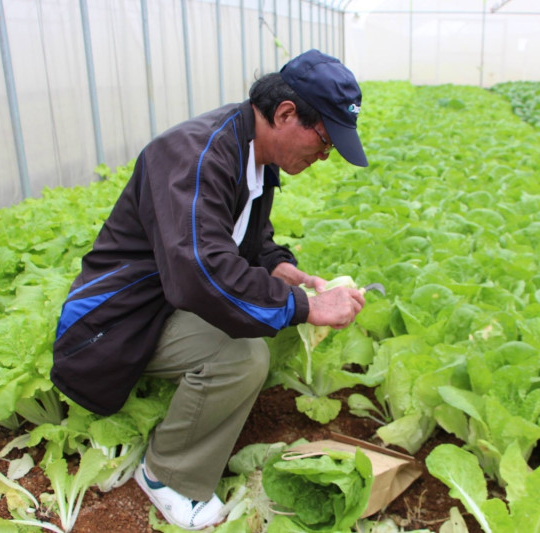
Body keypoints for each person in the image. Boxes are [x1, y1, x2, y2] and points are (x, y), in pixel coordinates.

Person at [50, 49, 368, 529]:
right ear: (285, 114)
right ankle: (167, 475)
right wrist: (306, 305)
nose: (324, 156)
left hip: (162, 305)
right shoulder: (194, 154)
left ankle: (205, 415)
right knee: (242, 356)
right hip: (114, 322)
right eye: (324, 140)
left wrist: (287, 272)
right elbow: (199, 272)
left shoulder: (252, 157)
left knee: (270, 322)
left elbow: (251, 242)